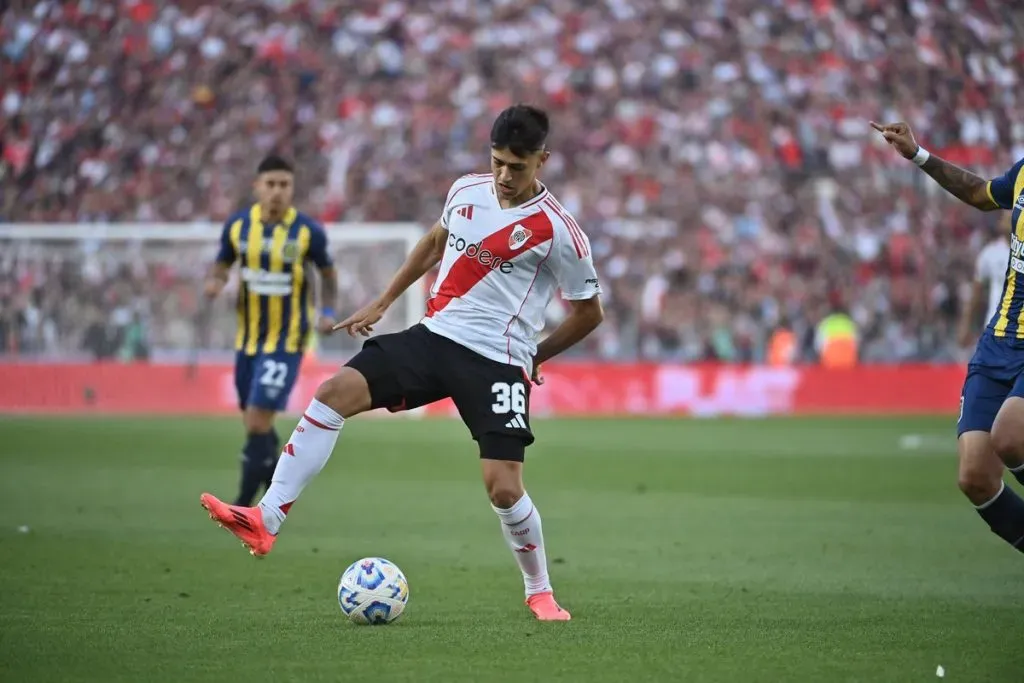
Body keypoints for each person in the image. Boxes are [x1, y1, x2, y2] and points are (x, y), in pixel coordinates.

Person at [200, 105, 604, 621]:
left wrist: (535, 354)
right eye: (498, 162)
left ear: (542, 161)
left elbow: (590, 312)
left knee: (504, 489)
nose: (504, 175)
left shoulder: (559, 231)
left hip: (498, 361)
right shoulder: (466, 191)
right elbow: (435, 243)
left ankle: (539, 591)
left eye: (517, 167)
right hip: (435, 337)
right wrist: (384, 301)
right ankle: (266, 519)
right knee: (332, 394)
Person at [872, 121, 1024, 554]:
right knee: (975, 477)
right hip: (998, 343)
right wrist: (918, 155)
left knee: (1010, 437)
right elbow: (981, 193)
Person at [204, 155, 338, 507]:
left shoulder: (307, 231)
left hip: (287, 341)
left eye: (284, 185)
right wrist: (216, 281)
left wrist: (327, 312)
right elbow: (222, 261)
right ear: (257, 187)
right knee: (256, 423)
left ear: (292, 189)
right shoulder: (237, 226)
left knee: (257, 419)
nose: (278, 191)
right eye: (271, 184)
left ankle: (244, 503)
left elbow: (328, 274)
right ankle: (276, 491)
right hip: (247, 341)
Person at [958, 214, 1011, 348]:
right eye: (1005, 218)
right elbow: (976, 294)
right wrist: (966, 325)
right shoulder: (990, 253)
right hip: (996, 329)